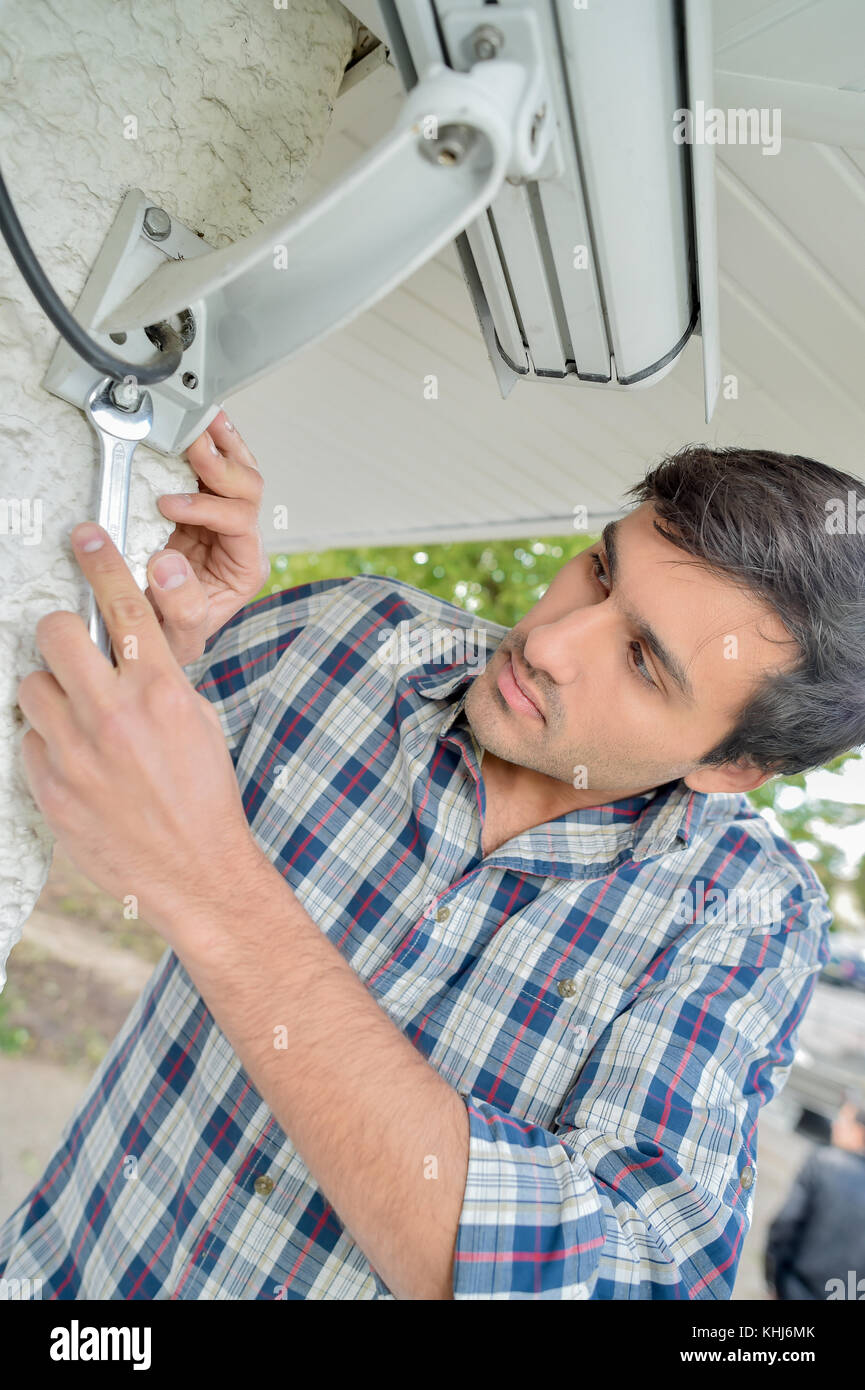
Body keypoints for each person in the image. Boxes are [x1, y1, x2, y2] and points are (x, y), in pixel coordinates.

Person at [0, 419, 861, 1300]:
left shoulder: (749, 914)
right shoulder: (347, 635)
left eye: (641, 661)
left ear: (731, 766)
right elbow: (62, 792)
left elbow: (631, 1281)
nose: (549, 643)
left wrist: (218, 894)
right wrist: (154, 640)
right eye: (599, 571)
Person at [765, 1099, 865, 1300]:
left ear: (860, 1132)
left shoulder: (822, 1163)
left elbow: (784, 1226)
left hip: (795, 1291)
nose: (835, 1125)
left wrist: (772, 1280)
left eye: (844, 1121)